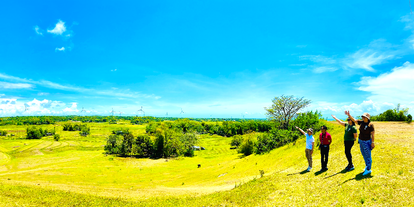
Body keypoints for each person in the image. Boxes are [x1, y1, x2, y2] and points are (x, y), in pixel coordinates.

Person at [345, 111, 375, 175]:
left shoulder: (370, 125)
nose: (363, 118)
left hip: (367, 141)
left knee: (368, 155)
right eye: (363, 116)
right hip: (361, 141)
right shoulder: (361, 122)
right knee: (364, 154)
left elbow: (373, 134)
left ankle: (368, 169)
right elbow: (354, 120)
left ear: (368, 118)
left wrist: (372, 142)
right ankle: (367, 166)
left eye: (365, 117)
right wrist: (349, 115)